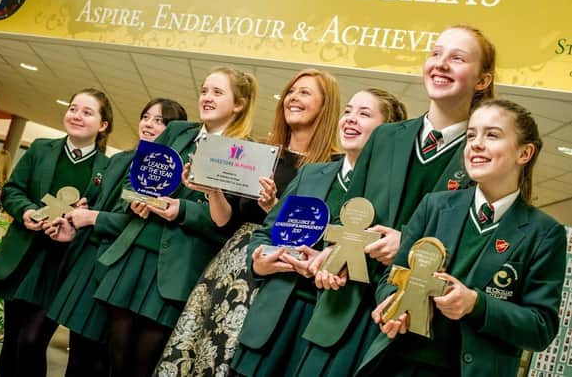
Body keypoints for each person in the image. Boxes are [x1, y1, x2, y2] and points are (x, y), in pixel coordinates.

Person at [292, 24, 497, 376]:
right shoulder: (385, 137)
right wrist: (332, 254)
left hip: (409, 333)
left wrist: (409, 247)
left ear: (482, 80)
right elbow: (348, 217)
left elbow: (480, 245)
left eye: (458, 58)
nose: (441, 64)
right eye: (436, 54)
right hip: (342, 314)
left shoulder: (484, 156)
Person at [358, 99, 566, 377]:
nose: (476, 144)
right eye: (471, 135)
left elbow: (541, 328)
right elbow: (392, 277)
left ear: (525, 153)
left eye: (492, 135)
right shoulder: (434, 206)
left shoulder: (543, 233)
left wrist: (476, 304)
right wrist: (393, 303)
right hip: (397, 362)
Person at [157, 68, 343, 376]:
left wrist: (274, 209)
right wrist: (213, 189)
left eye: (305, 93)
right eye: (291, 92)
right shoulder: (259, 152)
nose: (293, 98)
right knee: (202, 356)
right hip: (232, 265)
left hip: (282, 276)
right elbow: (223, 223)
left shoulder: (334, 166)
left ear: (326, 105)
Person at [231, 88, 407, 376]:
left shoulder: (393, 195)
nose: (350, 119)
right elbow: (265, 234)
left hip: (336, 327)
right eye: (348, 111)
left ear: (387, 131)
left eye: (364, 114)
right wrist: (258, 262)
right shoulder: (312, 174)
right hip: (274, 316)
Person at [93, 67, 257, 377]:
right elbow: (140, 180)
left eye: (217, 92)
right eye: (204, 90)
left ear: (239, 104)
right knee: (113, 360)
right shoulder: (178, 131)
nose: (206, 98)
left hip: (179, 269)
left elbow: (228, 226)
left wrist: (183, 210)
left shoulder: (243, 153)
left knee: (145, 364)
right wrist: (138, 201)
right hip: (136, 253)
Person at [45, 98, 187, 377]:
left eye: (160, 120)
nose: (149, 124)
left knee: (106, 361)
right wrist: (80, 214)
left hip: (123, 271)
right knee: (77, 356)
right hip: (90, 263)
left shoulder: (173, 176)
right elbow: (99, 202)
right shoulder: (121, 159)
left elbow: (142, 223)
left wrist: (94, 218)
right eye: (146, 116)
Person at [0, 88, 113, 377]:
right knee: (13, 341)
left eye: (87, 112)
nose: (77, 116)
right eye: (73, 108)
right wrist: (27, 212)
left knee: (32, 341)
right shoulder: (41, 149)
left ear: (103, 125)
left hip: (63, 267)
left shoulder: (107, 169)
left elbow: (103, 216)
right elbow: (12, 190)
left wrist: (80, 218)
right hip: (23, 257)